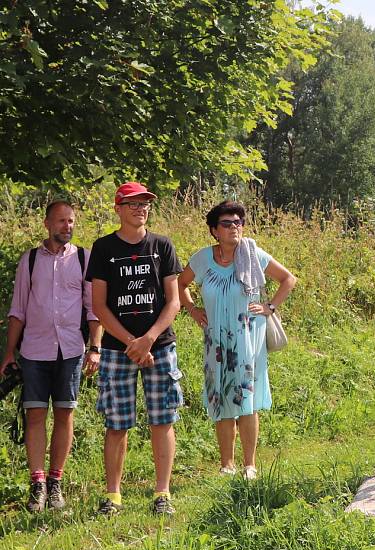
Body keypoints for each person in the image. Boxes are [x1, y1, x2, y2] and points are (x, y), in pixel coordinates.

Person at [178, 201, 296, 479]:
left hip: (247, 338)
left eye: (238, 222)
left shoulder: (253, 254)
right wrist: (193, 310)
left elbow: (288, 279)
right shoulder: (203, 259)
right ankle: (226, 464)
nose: (234, 227)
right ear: (214, 230)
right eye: (227, 223)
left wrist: (270, 307)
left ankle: (249, 465)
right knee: (221, 399)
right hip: (216, 339)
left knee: (246, 400)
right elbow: (179, 284)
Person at [86, 182, 183, 516]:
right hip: (117, 350)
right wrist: (131, 342)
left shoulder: (162, 245)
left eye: (145, 203)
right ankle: (113, 496)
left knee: (163, 419)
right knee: (117, 424)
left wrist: (148, 339)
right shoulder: (102, 248)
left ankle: (162, 494)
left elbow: (174, 302)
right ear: (118, 208)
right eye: (132, 203)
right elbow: (99, 305)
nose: (140, 208)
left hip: (159, 346)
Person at [0, 201, 102, 512]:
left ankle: (56, 484)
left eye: (71, 221)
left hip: (71, 350)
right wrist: (9, 353)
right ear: (47, 223)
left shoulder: (84, 259)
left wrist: (95, 348)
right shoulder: (30, 260)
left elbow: (93, 310)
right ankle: (37, 485)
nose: (67, 226)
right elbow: (17, 311)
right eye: (60, 221)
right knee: (34, 417)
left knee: (64, 415)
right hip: (34, 350)